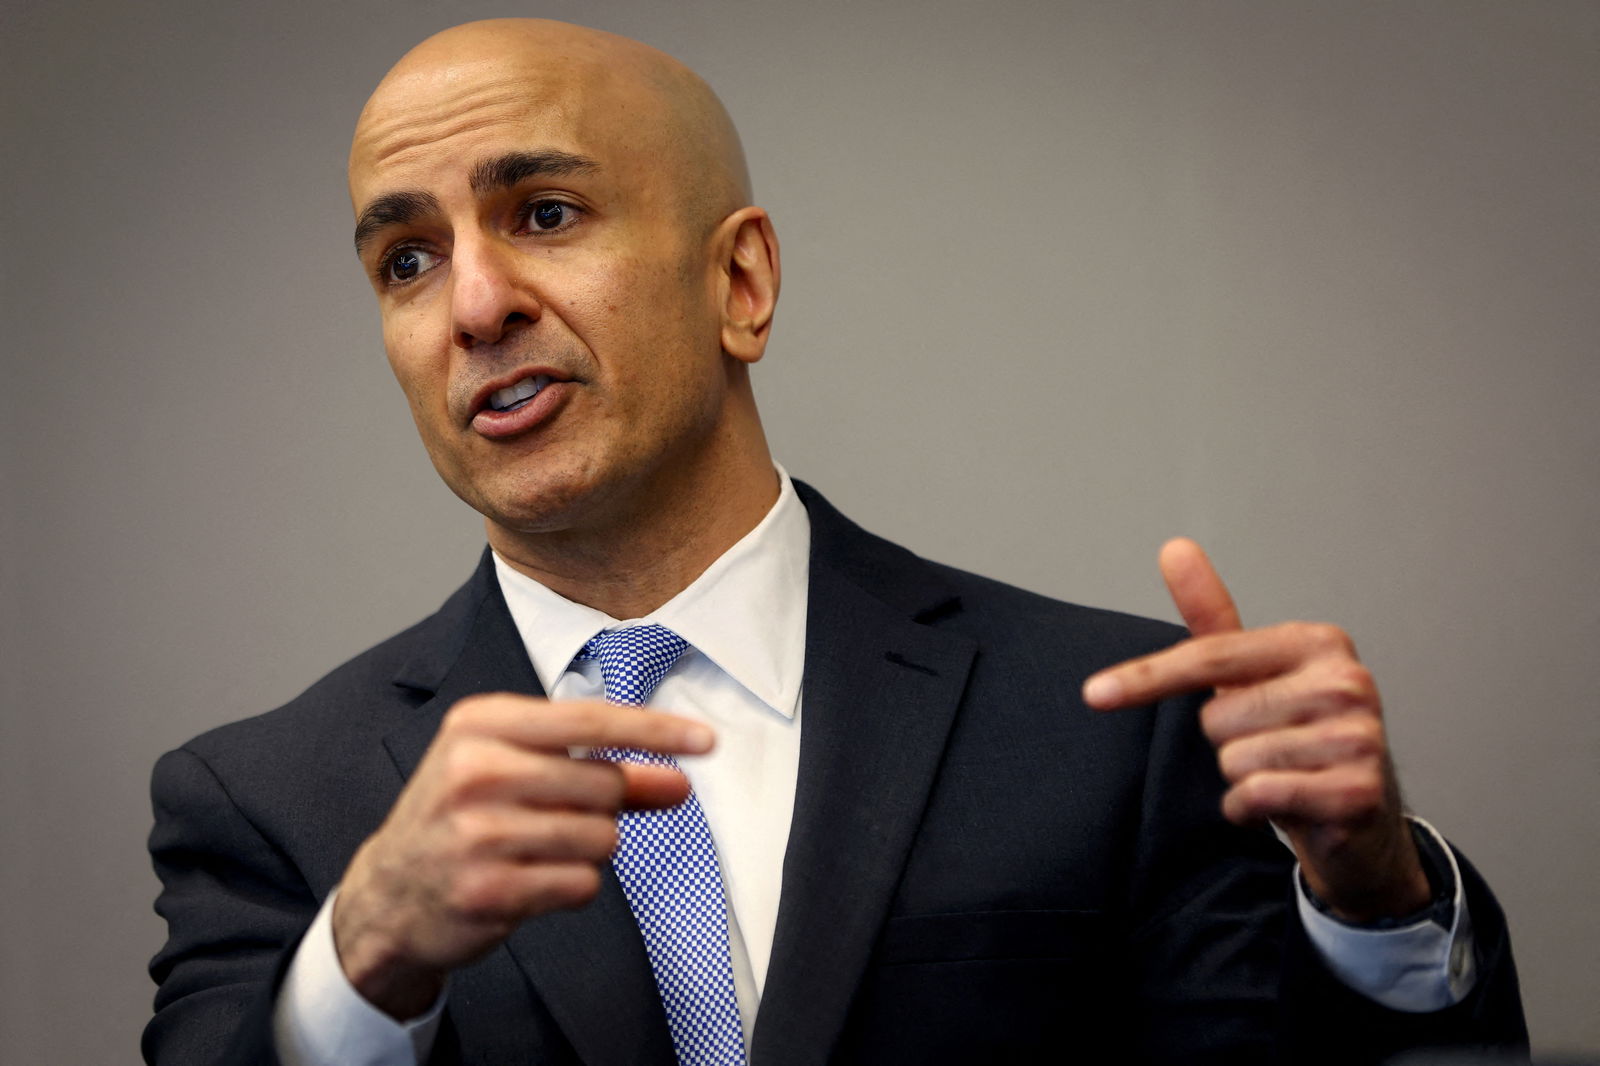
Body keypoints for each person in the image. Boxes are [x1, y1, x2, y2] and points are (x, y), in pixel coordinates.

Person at [144, 18, 1526, 1066]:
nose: (477, 303)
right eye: (408, 259)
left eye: (545, 214)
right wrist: (363, 961)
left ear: (738, 282)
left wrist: (1374, 895)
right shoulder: (270, 801)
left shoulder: (1120, 722)